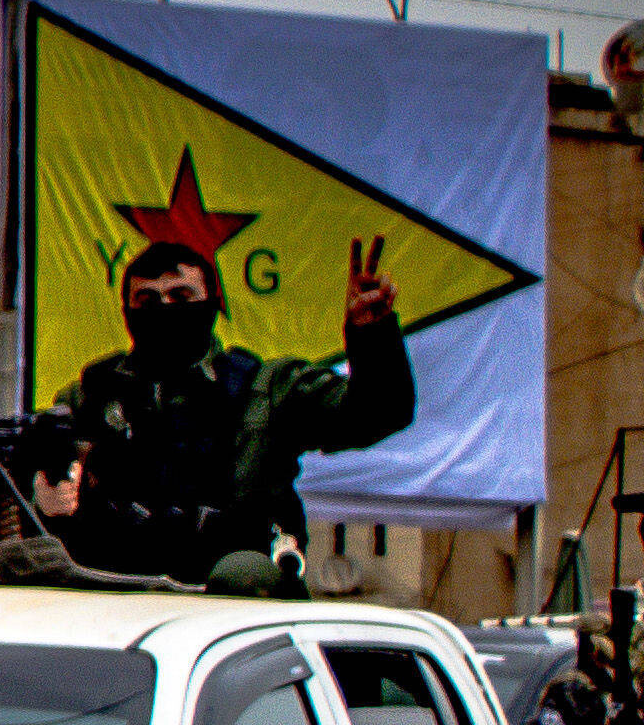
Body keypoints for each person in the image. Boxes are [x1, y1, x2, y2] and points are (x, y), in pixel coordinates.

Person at [38, 233, 408, 588]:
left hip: (236, 609)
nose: (165, 310)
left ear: (212, 303)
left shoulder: (268, 389)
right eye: (147, 301)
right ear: (127, 312)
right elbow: (31, 477)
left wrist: (372, 336)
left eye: (181, 296)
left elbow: (377, 414)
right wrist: (47, 492)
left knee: (243, 572)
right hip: (122, 607)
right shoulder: (91, 397)